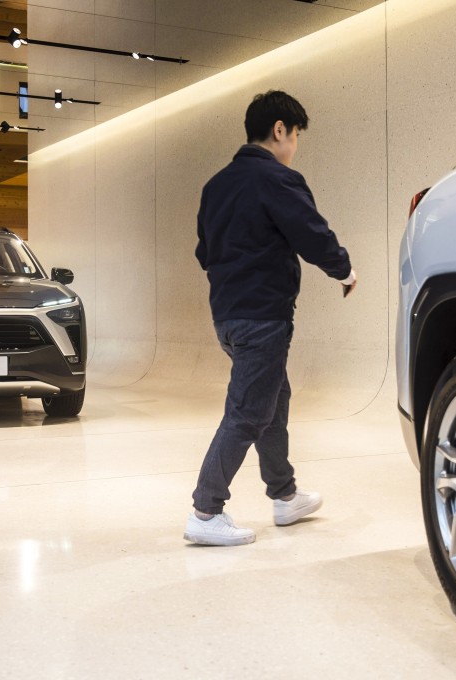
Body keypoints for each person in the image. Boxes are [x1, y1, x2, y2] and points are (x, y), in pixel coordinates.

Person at [184, 90, 356, 546]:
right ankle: (205, 511)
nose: (294, 144)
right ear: (279, 130)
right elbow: (310, 232)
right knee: (248, 411)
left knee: (273, 399)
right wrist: (343, 268)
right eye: (295, 134)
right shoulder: (277, 178)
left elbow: (205, 252)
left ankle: (284, 495)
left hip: (227, 315)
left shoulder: (215, 186)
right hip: (263, 316)